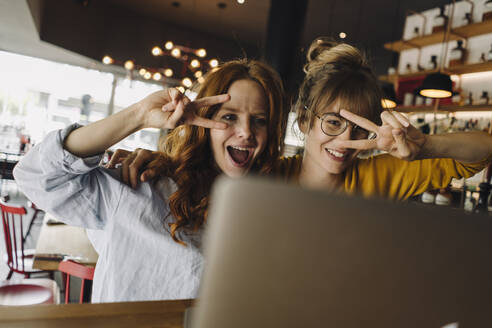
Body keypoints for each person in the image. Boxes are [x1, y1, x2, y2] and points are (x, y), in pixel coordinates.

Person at [13, 59, 286, 302]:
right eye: (229, 116)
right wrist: (139, 116)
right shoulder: (143, 183)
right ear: (203, 122)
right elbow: (37, 174)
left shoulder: (265, 213)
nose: (246, 132)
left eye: (259, 121)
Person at [118, 39, 492, 202]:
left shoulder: (383, 175)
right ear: (304, 122)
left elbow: (483, 150)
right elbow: (205, 172)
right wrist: (163, 163)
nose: (346, 140)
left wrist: (424, 145)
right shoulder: (266, 175)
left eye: (360, 128)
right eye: (333, 123)